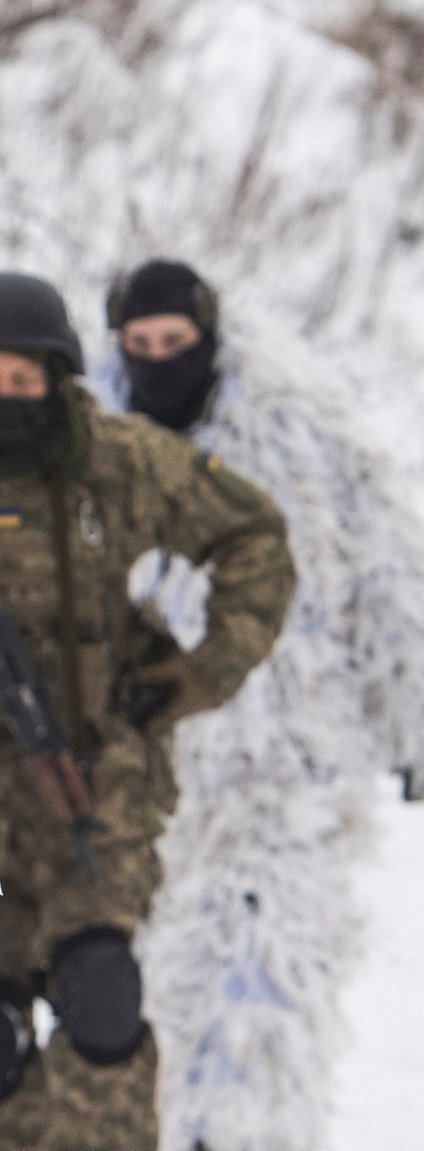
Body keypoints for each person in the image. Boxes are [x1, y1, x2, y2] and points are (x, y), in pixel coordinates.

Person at [0, 272, 295, 1151]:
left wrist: (202, 673)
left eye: (27, 382)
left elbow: (254, 536)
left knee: (101, 991)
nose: (8, 399)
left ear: (57, 379)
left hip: (96, 781)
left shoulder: (115, 459)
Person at [93, 261, 424, 1151]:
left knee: (264, 998)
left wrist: (412, 718)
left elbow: (393, 577)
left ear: (212, 337)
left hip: (286, 767)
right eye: (145, 345)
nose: (164, 361)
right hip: (141, 783)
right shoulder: (86, 456)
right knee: (153, 1000)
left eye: (179, 344)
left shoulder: (303, 444)